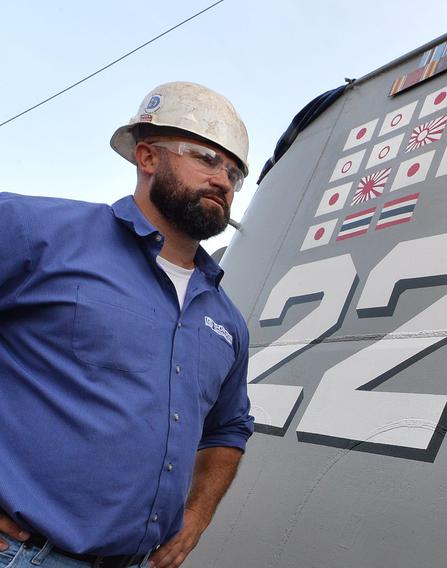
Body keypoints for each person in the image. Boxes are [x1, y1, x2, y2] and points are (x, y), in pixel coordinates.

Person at [0, 82, 254, 568]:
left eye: (234, 172)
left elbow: (229, 428)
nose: (222, 180)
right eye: (204, 157)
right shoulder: (36, 232)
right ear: (147, 157)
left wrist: (196, 518)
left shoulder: (227, 321)